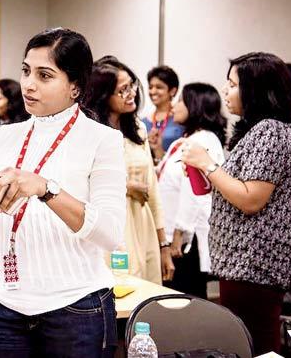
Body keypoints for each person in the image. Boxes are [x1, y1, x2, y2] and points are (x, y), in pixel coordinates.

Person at [0, 28, 125, 357]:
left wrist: (46, 189)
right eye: (26, 71)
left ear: (75, 86)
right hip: (9, 306)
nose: (29, 84)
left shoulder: (101, 140)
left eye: (45, 75)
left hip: (76, 307)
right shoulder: (8, 136)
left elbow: (110, 234)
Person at [181, 52, 291, 354]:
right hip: (245, 264)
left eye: (233, 84)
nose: (225, 90)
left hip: (255, 263)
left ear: (256, 90)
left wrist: (208, 164)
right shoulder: (263, 130)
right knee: (247, 343)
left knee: (255, 346)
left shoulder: (272, 131)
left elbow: (251, 199)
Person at [86, 57, 174, 285]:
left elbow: (152, 190)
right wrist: (125, 186)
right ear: (104, 96)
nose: (131, 93)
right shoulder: (88, 133)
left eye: (131, 85)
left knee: (144, 302)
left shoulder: (137, 129)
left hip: (142, 226)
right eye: (122, 90)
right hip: (108, 229)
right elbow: (78, 183)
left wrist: (163, 244)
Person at [156, 83, 226, 298]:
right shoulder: (186, 140)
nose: (174, 106)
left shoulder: (203, 140)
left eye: (180, 101)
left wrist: (179, 233)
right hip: (176, 233)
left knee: (185, 298)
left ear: (195, 106)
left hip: (186, 239)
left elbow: (196, 192)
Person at [143, 66, 185, 164]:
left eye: (159, 87)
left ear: (172, 91)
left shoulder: (181, 121)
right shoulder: (142, 122)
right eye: (150, 87)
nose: (153, 91)